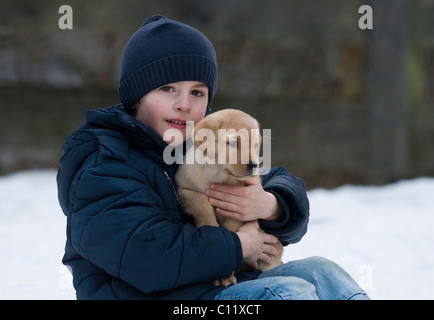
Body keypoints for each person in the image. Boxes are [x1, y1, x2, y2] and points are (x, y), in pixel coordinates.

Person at [57, 14, 369, 300]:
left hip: (211, 288)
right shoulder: (105, 163)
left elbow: (272, 175)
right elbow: (147, 257)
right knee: (286, 294)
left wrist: (272, 205)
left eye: (197, 92)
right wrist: (239, 247)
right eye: (168, 88)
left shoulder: (195, 145)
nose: (184, 104)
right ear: (137, 95)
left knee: (321, 273)